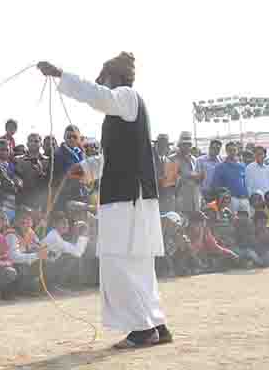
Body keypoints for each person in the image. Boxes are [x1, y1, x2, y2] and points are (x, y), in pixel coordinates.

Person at [38, 53, 172, 349]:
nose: (104, 83)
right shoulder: (123, 109)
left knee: (119, 261)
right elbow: (113, 159)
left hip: (127, 199)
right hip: (128, 198)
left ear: (116, 78)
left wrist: (61, 74)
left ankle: (142, 330)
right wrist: (85, 169)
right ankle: (155, 325)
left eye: (106, 79)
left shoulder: (125, 96)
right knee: (135, 264)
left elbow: (98, 96)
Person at [41, 212, 90, 287]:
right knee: (73, 258)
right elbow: (77, 252)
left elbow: (72, 248)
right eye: (63, 223)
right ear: (54, 224)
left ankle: (58, 285)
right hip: (46, 269)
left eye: (66, 223)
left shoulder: (54, 234)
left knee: (71, 256)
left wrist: (76, 233)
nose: (66, 225)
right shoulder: (55, 238)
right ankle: (56, 285)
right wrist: (85, 232)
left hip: (48, 266)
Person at [211, 142, 250, 214]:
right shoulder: (220, 167)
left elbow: (246, 182)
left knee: (245, 221)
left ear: (237, 151)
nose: (232, 152)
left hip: (244, 199)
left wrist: (247, 196)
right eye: (230, 150)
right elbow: (215, 185)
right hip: (231, 200)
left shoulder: (242, 166)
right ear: (226, 151)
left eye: (234, 150)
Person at [172, 132, 202, 213]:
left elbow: (198, 179)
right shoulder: (172, 159)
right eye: (184, 144)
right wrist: (186, 176)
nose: (187, 146)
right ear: (179, 145)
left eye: (188, 144)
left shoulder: (194, 159)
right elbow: (170, 181)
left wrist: (199, 178)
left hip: (195, 200)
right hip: (181, 199)